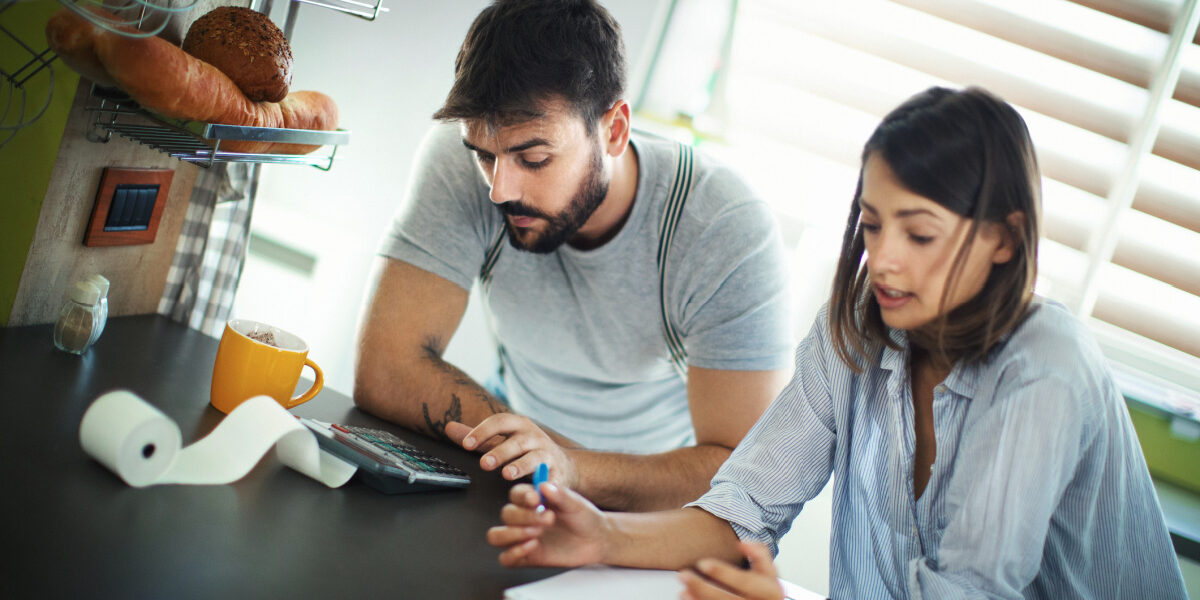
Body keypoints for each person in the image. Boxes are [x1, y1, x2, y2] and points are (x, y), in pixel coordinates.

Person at [485, 86, 1189, 599]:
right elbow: (743, 512)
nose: (883, 259)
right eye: (874, 224)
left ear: (1004, 239)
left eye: (919, 234)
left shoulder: (1046, 366)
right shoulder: (859, 326)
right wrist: (605, 537)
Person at [353, 0, 793, 512]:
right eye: (484, 155)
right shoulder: (460, 161)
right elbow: (385, 369)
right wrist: (544, 459)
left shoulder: (723, 226)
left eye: (534, 158)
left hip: (650, 504)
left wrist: (572, 466)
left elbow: (742, 472)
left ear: (614, 130)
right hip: (515, 466)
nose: (500, 190)